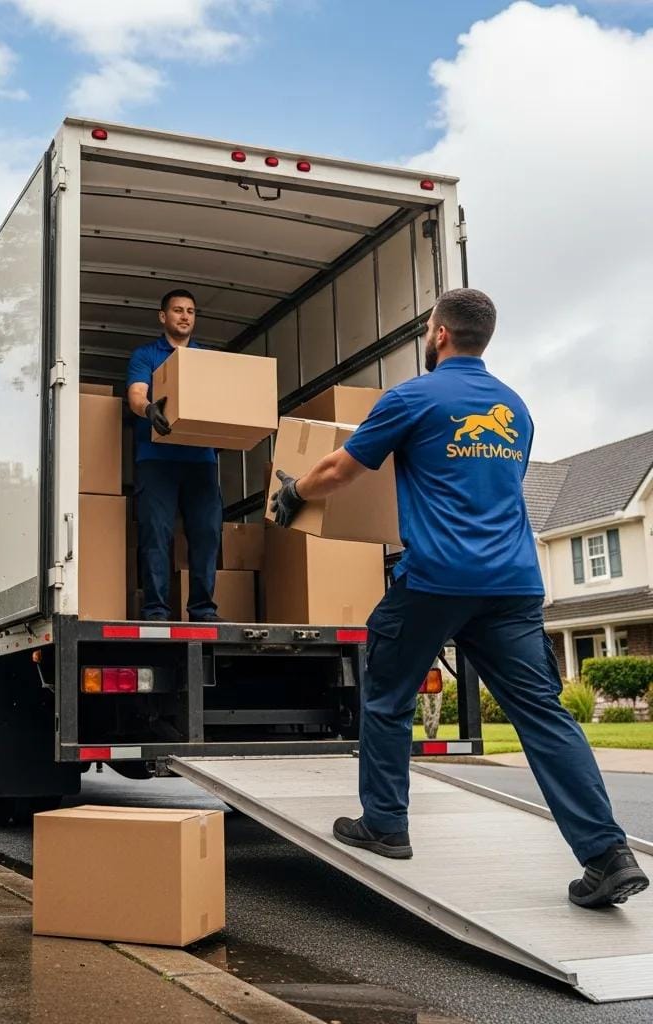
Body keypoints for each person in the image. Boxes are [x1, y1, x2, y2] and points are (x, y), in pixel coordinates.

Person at [272, 288, 648, 908]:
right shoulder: (515, 408)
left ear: (439, 333)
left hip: (437, 579)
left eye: (428, 329)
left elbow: (342, 469)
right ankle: (608, 854)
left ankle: (385, 824)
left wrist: (294, 493)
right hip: (513, 586)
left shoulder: (413, 398)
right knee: (544, 716)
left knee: (388, 696)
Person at [126, 289, 222, 622]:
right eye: (178, 310)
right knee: (156, 534)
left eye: (191, 311)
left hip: (201, 461)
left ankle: (203, 610)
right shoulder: (146, 355)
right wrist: (149, 409)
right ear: (163, 316)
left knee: (207, 533)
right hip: (157, 459)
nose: (185, 316)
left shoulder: (206, 359)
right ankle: (156, 610)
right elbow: (136, 394)